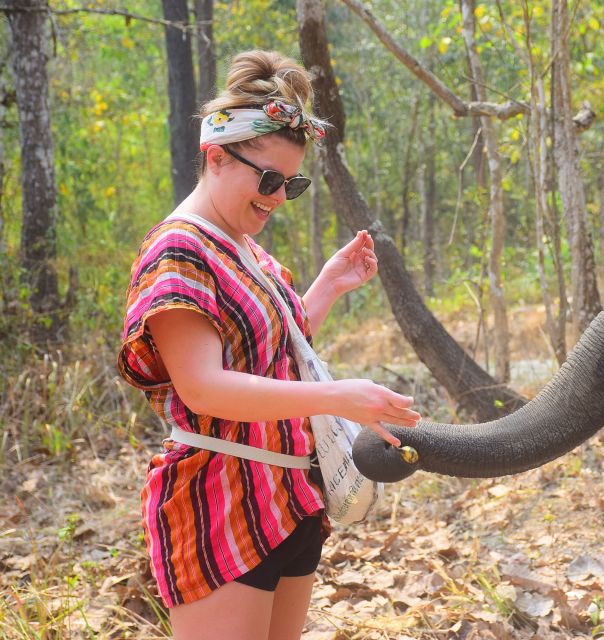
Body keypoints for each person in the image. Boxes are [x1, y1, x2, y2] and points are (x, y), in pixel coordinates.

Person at [118, 50, 420, 640]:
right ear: (215, 156)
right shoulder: (179, 252)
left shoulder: (244, 250)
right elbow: (204, 386)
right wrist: (337, 397)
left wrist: (327, 287)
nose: (279, 198)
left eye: (292, 183)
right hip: (221, 501)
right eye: (269, 179)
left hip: (287, 497)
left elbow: (268, 355)